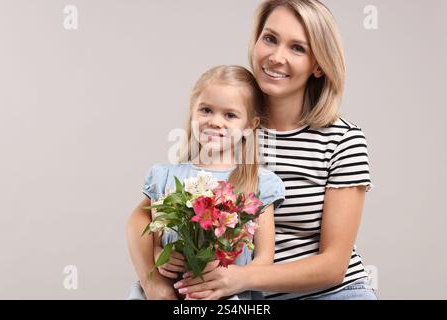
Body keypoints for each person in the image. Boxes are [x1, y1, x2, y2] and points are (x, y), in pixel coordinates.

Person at [171, 0, 377, 300]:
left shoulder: (343, 140)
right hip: (243, 297)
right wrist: (155, 284)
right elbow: (160, 205)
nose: (277, 57)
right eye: (270, 39)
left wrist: (240, 278)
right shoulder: (229, 124)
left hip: (333, 294)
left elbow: (334, 265)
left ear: (318, 64)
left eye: (297, 48)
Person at [125, 65, 285, 300]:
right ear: (192, 112)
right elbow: (151, 236)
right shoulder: (165, 177)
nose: (216, 122)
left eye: (230, 115)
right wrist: (160, 255)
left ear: (250, 125)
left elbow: (264, 258)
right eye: (206, 110)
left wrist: (232, 279)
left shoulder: (259, 183)